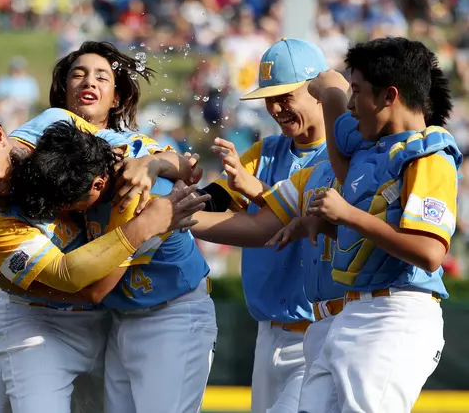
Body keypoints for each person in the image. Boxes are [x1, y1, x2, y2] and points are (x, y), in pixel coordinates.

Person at [0, 68, 198, 413]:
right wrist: (144, 226)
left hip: (110, 319)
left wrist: (152, 162)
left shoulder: (57, 126)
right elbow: (78, 281)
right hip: (38, 322)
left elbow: (185, 167)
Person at [298, 37, 459, 412]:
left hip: (395, 316)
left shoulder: (430, 155)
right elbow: (341, 145)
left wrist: (348, 215)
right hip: (350, 314)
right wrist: (334, 227)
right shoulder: (375, 148)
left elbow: (429, 252)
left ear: (389, 96)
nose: (352, 105)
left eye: (357, 92)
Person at [11, 121, 216, 413]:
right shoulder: (96, 165)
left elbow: (97, 291)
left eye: (69, 202)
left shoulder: (142, 195)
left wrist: (24, 286)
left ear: (97, 184)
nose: (64, 209)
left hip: (174, 317)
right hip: (125, 318)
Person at [194, 38, 330, 413]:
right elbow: (215, 199)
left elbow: (301, 214)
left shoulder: (341, 156)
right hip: (268, 332)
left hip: (318, 333)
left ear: (318, 89)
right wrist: (170, 208)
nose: (275, 107)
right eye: (269, 98)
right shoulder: (266, 151)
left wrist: (256, 191)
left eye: (286, 95)